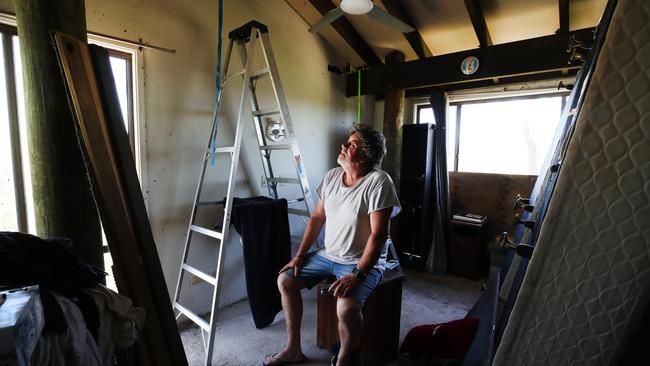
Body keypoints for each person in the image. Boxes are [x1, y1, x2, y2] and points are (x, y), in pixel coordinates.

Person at [263, 124, 400, 366]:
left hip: (359, 261)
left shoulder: (379, 181)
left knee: (346, 310)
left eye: (352, 144)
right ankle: (293, 349)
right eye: (346, 142)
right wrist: (300, 255)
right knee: (285, 280)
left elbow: (379, 235)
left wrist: (358, 274)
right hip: (328, 255)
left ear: (366, 155)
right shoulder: (332, 176)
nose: (344, 147)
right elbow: (316, 217)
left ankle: (344, 358)